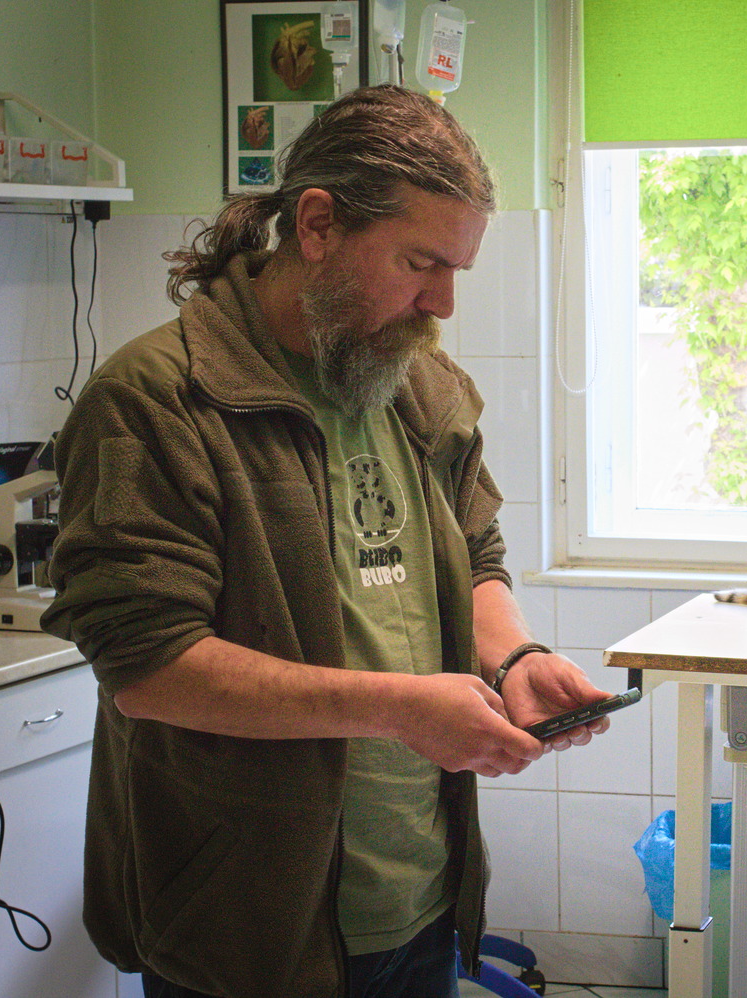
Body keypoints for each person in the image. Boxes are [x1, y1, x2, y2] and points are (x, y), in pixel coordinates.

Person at [42, 85, 612, 998]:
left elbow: (476, 557)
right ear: (315, 224)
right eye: (421, 261)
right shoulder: (157, 401)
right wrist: (401, 707)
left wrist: (514, 657)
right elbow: (149, 668)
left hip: (420, 893)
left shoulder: (417, 379)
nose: (444, 301)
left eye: (458, 267)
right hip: (246, 920)